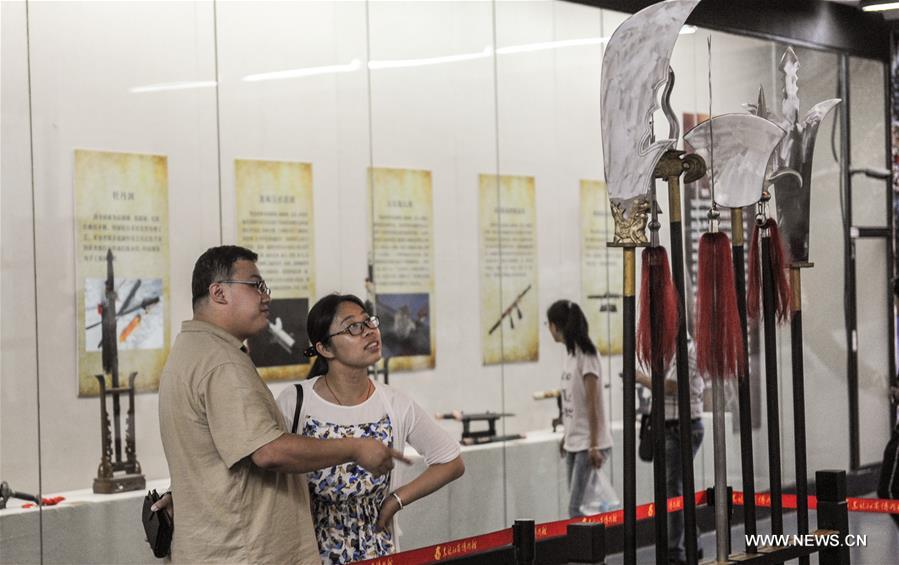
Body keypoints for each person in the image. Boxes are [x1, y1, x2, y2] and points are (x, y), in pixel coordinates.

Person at [157, 246, 407, 564]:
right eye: (256, 285)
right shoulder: (221, 364)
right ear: (218, 292)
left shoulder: (193, 351)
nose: (265, 297)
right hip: (244, 552)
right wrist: (354, 449)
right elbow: (268, 452)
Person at [277, 293, 464, 564]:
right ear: (325, 349)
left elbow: (451, 461)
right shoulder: (295, 402)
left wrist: (396, 500)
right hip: (309, 553)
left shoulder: (395, 403)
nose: (369, 332)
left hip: (377, 550)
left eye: (369, 322)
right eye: (353, 327)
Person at [635, 341, 704, 565]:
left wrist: (639, 377)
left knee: (673, 491)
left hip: (680, 428)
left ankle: (676, 552)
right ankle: (692, 541)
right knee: (676, 489)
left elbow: (673, 386)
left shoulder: (686, 346)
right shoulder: (667, 347)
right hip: (672, 427)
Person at [546, 299, 613, 518]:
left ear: (557, 325)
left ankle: (582, 552)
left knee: (576, 508)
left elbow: (592, 403)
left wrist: (593, 445)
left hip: (589, 443)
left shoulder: (588, 356)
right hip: (575, 442)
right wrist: (567, 435)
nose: (549, 330)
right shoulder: (571, 356)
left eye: (549, 324)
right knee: (578, 505)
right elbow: (573, 404)